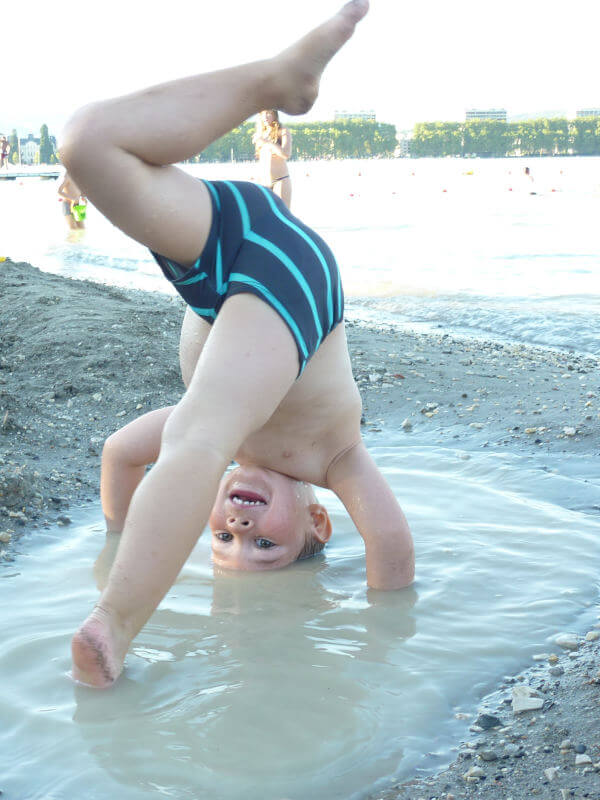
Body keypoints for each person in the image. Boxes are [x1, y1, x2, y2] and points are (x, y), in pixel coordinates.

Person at [60, 0, 414, 689]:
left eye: (220, 538)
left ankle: (274, 81)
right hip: (297, 274)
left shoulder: (210, 451)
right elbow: (392, 545)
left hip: (235, 257)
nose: (235, 528)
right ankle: (116, 625)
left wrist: (117, 540)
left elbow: (119, 455)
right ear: (317, 522)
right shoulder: (331, 458)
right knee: (201, 433)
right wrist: (383, 640)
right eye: (265, 544)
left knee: (88, 143)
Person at [253, 109, 293, 208]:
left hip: (280, 181)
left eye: (268, 113)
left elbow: (286, 154)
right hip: (264, 183)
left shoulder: (283, 131)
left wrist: (267, 142)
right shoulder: (260, 134)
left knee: (283, 216)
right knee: (265, 217)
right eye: (262, 114)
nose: (265, 117)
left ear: (275, 115)